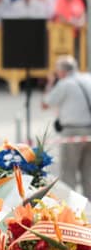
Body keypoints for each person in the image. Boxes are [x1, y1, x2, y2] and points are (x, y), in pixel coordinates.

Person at [44, 56, 91, 196]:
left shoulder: (64, 84)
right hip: (89, 130)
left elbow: (46, 103)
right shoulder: (88, 78)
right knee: (88, 172)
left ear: (62, 71)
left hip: (72, 131)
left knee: (68, 173)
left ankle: (71, 204)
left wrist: (50, 83)